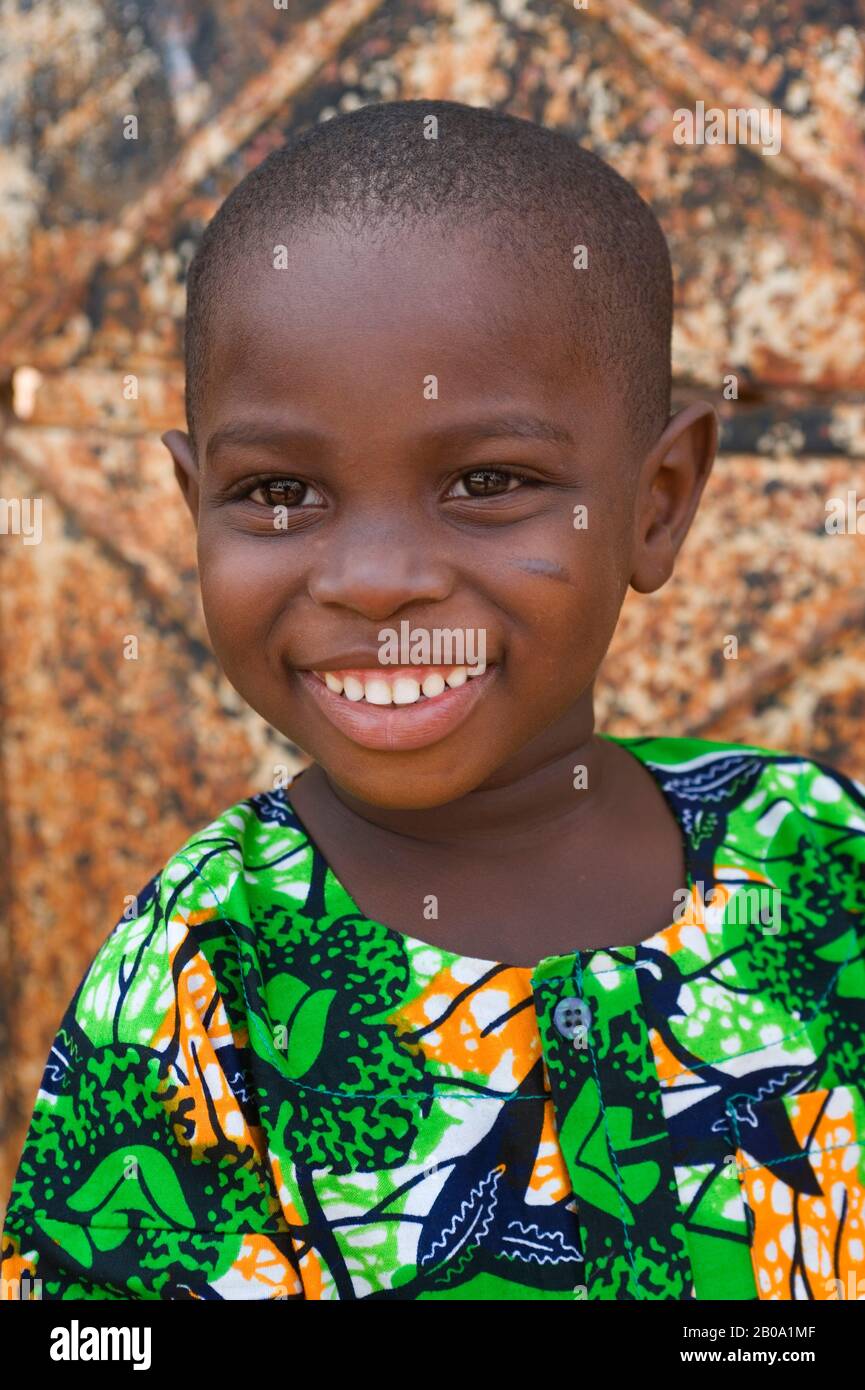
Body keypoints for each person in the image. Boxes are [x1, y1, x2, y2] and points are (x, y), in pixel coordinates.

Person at [2, 100, 864, 1302]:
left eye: (487, 481)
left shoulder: (816, 853)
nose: (372, 580)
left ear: (656, 501)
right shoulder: (202, 976)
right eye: (280, 491)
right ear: (190, 503)